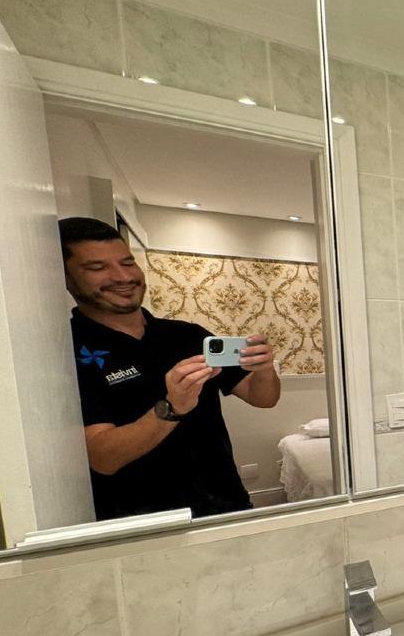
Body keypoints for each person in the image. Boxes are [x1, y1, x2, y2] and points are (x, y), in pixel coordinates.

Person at [59, 217, 280, 520]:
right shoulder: (67, 351)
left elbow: (262, 397)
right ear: (66, 278)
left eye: (128, 262)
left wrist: (264, 369)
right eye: (98, 268)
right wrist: (172, 408)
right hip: (143, 522)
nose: (122, 276)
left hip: (226, 505)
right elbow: (102, 458)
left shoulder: (187, 335)